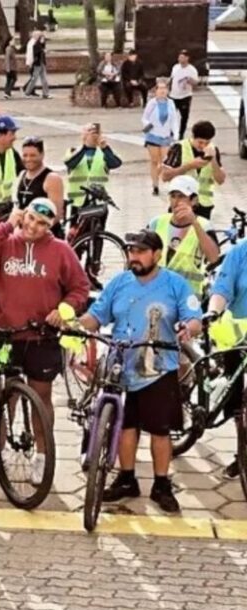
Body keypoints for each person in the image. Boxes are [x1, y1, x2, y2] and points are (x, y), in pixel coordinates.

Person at [0, 199, 91, 483]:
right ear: (25, 215)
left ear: (52, 226)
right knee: (6, 395)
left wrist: (64, 310)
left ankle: (42, 458)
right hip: (7, 334)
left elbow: (81, 288)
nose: (34, 227)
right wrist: (7, 224)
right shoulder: (4, 242)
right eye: (31, 219)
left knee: (41, 397)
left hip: (43, 336)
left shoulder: (60, 251)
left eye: (43, 223)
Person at [79, 229, 202, 512]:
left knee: (160, 430)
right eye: (131, 251)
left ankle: (161, 484)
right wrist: (73, 324)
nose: (133, 257)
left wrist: (188, 328)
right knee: (125, 424)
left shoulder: (175, 284)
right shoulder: (119, 283)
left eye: (140, 252)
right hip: (120, 366)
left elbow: (193, 318)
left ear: (156, 255)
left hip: (159, 369)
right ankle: (126, 478)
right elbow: (96, 316)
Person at [208, 237, 247, 480]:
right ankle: (241, 453)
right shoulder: (240, 252)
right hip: (237, 334)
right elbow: (223, 288)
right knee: (235, 400)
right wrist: (213, 310)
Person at [147, 176, 219, 298]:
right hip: (157, 294)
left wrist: (194, 223)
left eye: (181, 196)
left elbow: (213, 258)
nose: (176, 201)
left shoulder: (203, 225)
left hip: (189, 297)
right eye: (173, 196)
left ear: (194, 200)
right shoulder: (157, 222)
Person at [161, 120, 226, 220]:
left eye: (207, 142)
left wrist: (213, 160)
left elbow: (220, 180)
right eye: (200, 142)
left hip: (204, 205)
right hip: (181, 203)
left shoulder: (213, 150)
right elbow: (165, 176)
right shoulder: (179, 148)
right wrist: (189, 166)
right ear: (193, 137)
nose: (203, 146)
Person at [64, 124, 122, 214]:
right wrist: (84, 146)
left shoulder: (104, 152)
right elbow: (70, 163)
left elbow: (115, 163)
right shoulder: (73, 150)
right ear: (82, 135)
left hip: (99, 201)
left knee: (98, 228)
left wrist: (105, 148)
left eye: (96, 132)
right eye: (89, 131)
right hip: (78, 202)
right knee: (76, 228)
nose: (93, 135)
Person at [15, 136, 65, 237]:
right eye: (25, 155)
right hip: (25, 235)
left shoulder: (52, 178)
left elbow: (57, 214)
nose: (28, 159)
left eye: (33, 155)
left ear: (42, 155)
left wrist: (35, 231)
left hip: (46, 237)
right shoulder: (23, 175)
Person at [141, 80, 179, 196]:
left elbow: (174, 120)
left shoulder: (171, 103)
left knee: (165, 161)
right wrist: (148, 126)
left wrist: (175, 134)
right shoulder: (152, 103)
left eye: (164, 88)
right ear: (156, 91)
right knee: (154, 161)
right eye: (160, 88)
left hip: (166, 136)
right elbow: (144, 118)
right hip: (153, 135)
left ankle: (167, 182)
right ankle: (155, 185)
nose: (162, 91)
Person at [169, 50, 199, 139]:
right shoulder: (175, 67)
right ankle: (171, 131)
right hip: (174, 95)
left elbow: (196, 82)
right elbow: (172, 78)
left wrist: (190, 81)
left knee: (184, 117)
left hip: (185, 96)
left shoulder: (192, 70)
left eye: (182, 57)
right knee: (171, 115)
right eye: (179, 57)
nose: (180, 59)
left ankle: (181, 133)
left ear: (187, 58)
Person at [24, 31, 50, 99]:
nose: (43, 39)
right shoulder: (35, 45)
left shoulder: (41, 44)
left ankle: (46, 93)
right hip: (37, 64)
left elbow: (43, 50)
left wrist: (43, 47)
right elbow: (34, 54)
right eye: (41, 37)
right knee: (34, 79)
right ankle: (27, 92)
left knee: (44, 79)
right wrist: (30, 63)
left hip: (42, 63)